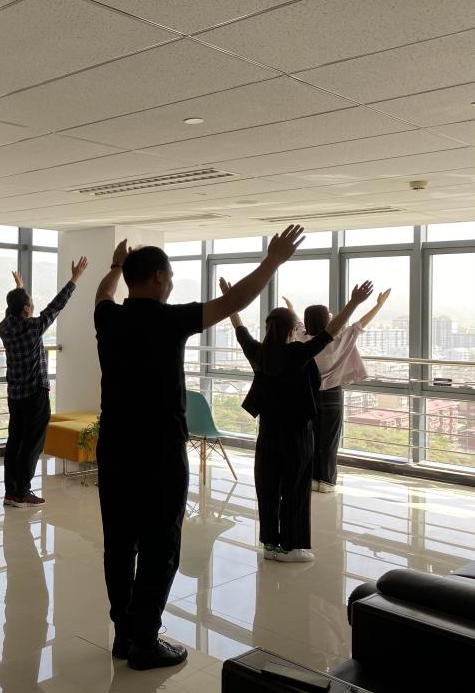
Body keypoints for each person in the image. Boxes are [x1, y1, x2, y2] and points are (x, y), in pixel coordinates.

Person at [93, 225, 305, 671]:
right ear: (157, 277)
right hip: (159, 453)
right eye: (169, 276)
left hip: (114, 449)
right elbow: (235, 300)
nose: (171, 283)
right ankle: (145, 641)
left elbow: (102, 292)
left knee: (119, 543)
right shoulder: (169, 319)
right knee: (161, 544)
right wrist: (273, 261)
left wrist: (115, 265)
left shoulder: (108, 318)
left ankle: (124, 633)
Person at [225, 278, 374, 564]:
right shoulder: (297, 353)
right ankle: (293, 548)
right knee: (295, 489)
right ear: (292, 330)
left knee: (268, 487)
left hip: (268, 433)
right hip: (297, 434)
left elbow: (239, 329)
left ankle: (270, 545)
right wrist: (354, 303)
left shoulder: (259, 352)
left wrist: (231, 299)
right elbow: (330, 332)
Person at [0, 257, 88, 507]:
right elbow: (56, 306)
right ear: (26, 310)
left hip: (15, 395)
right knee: (32, 444)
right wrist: (75, 278)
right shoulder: (33, 327)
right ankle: (22, 492)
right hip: (35, 395)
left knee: (15, 441)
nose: (34, 306)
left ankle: (11, 492)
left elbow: (13, 311)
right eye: (30, 303)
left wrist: (19, 289)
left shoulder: (4, 327)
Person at [284, 289, 392, 492]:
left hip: (307, 394)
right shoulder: (340, 338)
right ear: (327, 320)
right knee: (330, 439)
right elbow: (360, 324)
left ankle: (310, 478)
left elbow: (296, 322)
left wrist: (290, 308)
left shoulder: (302, 339)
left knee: (310, 438)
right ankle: (326, 482)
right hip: (332, 394)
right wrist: (379, 305)